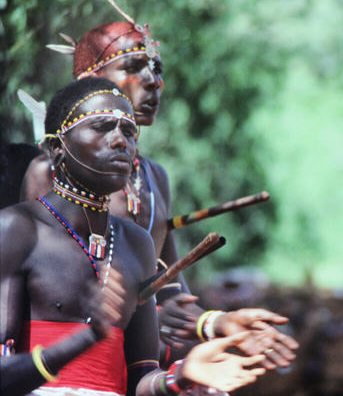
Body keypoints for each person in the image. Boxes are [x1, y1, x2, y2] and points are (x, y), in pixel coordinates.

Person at [21, 20, 298, 370]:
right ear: (89, 82)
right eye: (134, 67)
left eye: (157, 69)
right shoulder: (49, 173)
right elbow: (38, 292)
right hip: (67, 364)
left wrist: (216, 323)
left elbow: (167, 289)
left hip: (139, 357)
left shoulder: (154, 177)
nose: (153, 81)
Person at [0, 77, 268, 395]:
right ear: (59, 148)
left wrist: (181, 377)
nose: (120, 141)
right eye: (101, 126)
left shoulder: (136, 243)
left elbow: (142, 377)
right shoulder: (17, 229)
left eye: (129, 132)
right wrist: (86, 338)